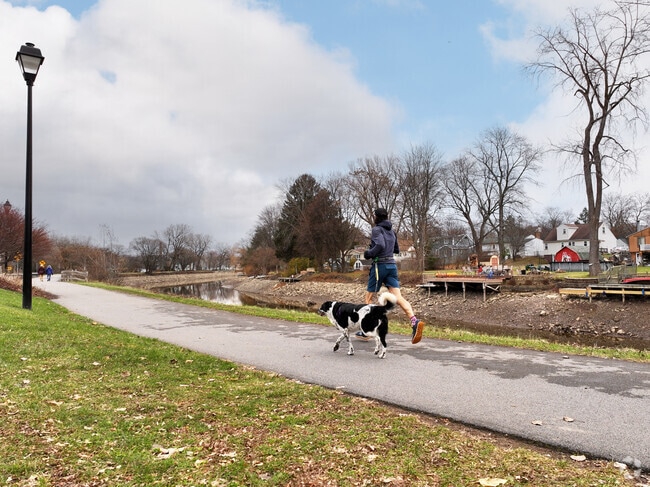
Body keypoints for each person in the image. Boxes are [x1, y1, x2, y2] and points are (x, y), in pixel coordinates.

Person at [358, 208, 425, 344]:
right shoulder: (392, 231)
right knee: (398, 297)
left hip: (379, 266)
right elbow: (396, 250)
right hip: (392, 266)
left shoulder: (377, 230)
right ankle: (414, 321)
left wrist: (369, 253)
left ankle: (367, 331)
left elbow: (381, 245)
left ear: (376, 217)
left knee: (369, 298)